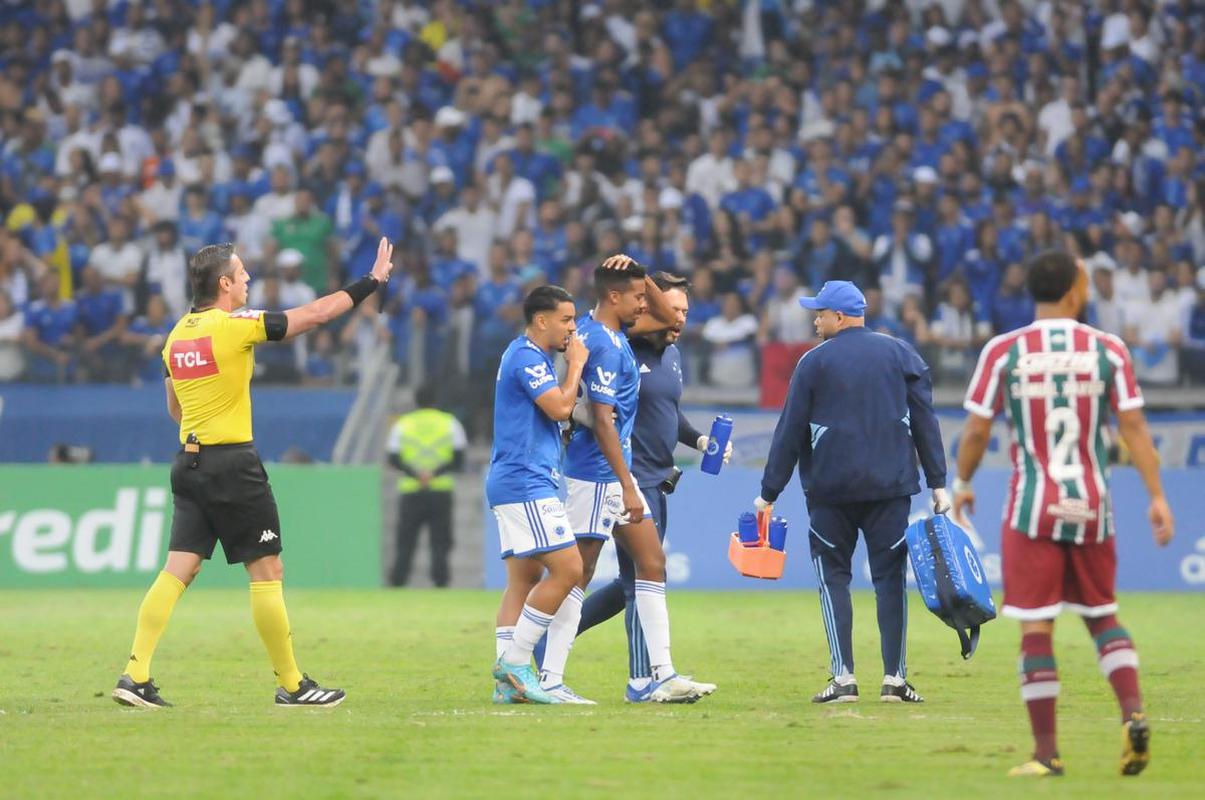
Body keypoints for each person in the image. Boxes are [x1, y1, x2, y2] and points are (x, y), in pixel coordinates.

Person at [111, 236, 396, 709]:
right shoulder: (234, 326)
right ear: (224, 284)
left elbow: (175, 410)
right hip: (232, 464)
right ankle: (293, 685)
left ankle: (135, 673)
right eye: (241, 273)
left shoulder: (176, 336)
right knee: (267, 569)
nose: (248, 279)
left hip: (189, 461)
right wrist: (371, 281)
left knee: (178, 569)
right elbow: (315, 315)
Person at [952, 251, 1174, 778]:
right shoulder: (1108, 349)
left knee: (1037, 627)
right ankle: (1133, 712)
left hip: (1032, 508)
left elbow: (978, 430)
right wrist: (1157, 496)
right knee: (1102, 616)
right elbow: (1135, 428)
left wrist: (962, 483)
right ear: (1075, 291)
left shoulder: (1004, 351)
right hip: (1092, 504)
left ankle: (1046, 753)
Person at [755, 280, 948, 704]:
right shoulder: (901, 353)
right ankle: (895, 679)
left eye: (820, 313)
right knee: (890, 580)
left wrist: (769, 491)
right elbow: (925, 421)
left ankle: (843, 677)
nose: (815, 320)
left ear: (839, 317)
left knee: (833, 579)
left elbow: (789, 431)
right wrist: (938, 482)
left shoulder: (814, 361)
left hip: (831, 490)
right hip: (890, 489)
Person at [542, 255, 712, 704]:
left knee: (650, 564)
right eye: (638, 296)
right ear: (615, 297)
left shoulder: (618, 336)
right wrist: (627, 482)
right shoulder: (602, 340)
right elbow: (602, 420)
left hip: (618, 475)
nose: (647, 306)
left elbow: (666, 318)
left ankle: (659, 675)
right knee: (576, 573)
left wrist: (640, 273)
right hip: (598, 473)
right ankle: (538, 668)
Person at [487, 285, 587, 704]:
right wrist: (576, 365)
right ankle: (515, 663)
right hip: (526, 481)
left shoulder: (528, 356)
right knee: (570, 569)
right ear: (541, 320)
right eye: (566, 319)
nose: (572, 328)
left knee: (522, 581)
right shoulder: (528, 357)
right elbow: (560, 408)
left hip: (513, 479)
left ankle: (507, 688)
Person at [385, 383, 467, 587]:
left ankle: (398, 583)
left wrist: (416, 474)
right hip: (440, 490)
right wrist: (434, 474)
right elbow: (458, 458)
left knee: (405, 541)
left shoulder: (403, 423)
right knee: (440, 542)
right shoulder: (450, 423)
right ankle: (440, 583)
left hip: (411, 491)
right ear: (435, 400)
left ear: (416, 401)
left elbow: (393, 457)